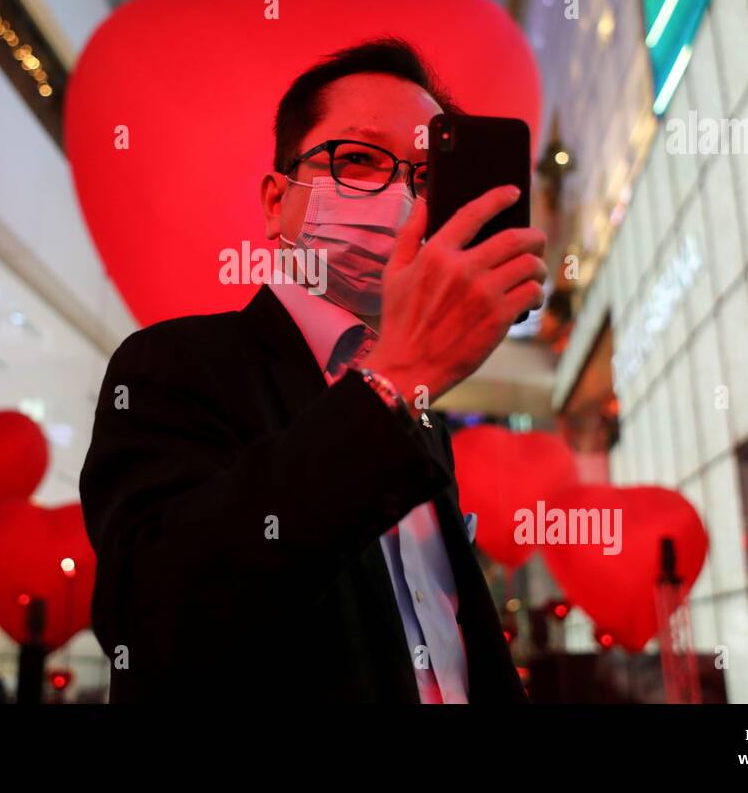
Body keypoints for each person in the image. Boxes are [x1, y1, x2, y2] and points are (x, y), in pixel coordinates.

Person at [79, 37, 547, 703]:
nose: (399, 198)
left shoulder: (420, 420)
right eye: (356, 160)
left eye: (425, 179)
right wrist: (393, 383)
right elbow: (151, 621)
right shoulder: (174, 365)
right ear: (277, 200)